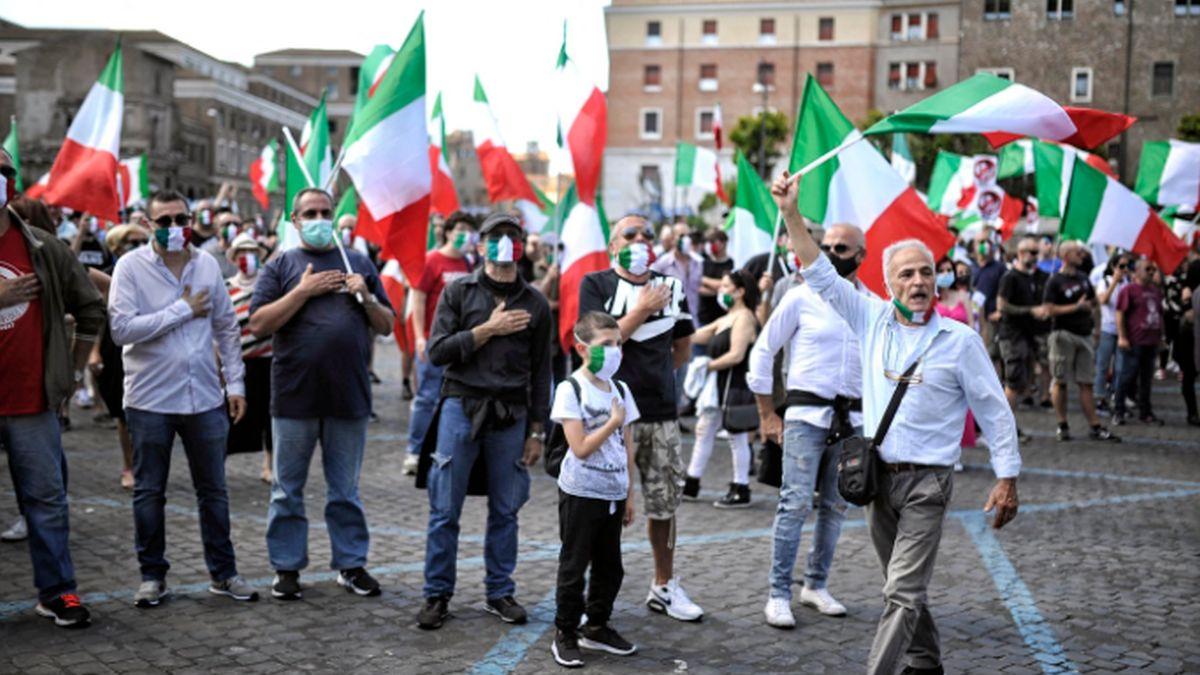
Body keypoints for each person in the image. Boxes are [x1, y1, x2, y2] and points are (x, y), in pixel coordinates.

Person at [772, 170, 1021, 675]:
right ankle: (926, 661)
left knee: (901, 592)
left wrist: (1007, 476)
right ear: (887, 284)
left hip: (929, 483)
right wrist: (790, 213)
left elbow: (995, 409)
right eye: (906, 274)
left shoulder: (960, 341)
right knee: (900, 585)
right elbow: (818, 270)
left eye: (926, 272)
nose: (918, 282)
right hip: (877, 477)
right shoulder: (869, 318)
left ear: (938, 279)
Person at [109, 189, 258, 608]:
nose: (174, 228)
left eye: (181, 219)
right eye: (164, 221)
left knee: (214, 491)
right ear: (149, 224)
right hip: (150, 400)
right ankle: (152, 576)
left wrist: (236, 385)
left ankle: (224, 573)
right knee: (149, 491)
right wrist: (181, 309)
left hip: (205, 399)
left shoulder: (208, 264)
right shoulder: (130, 267)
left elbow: (228, 329)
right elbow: (122, 330)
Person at [248, 188, 395, 601]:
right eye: (309, 212)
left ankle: (350, 564)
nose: (318, 217)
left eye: (325, 211)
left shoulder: (359, 263)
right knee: (286, 489)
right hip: (294, 396)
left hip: (348, 396)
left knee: (345, 489)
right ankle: (287, 567)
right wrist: (302, 292)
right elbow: (258, 324)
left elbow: (385, 325)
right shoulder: (280, 266)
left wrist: (364, 295)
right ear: (294, 221)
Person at [417, 213, 553, 630]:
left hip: (511, 416)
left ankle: (499, 591)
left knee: (506, 510)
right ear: (482, 243)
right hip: (462, 406)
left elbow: (542, 371)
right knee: (445, 509)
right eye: (497, 236)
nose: (505, 242)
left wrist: (536, 430)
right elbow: (438, 351)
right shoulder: (459, 291)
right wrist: (487, 330)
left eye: (512, 236)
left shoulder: (534, 303)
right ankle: (437, 594)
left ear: (522, 243)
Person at [578, 215, 703, 622]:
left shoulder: (674, 287)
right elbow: (600, 343)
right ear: (614, 245)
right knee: (602, 504)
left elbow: (683, 346)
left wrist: (660, 378)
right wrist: (644, 307)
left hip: (660, 411)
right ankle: (593, 596)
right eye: (629, 235)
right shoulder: (595, 285)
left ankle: (663, 585)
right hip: (609, 414)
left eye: (647, 235)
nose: (640, 240)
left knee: (664, 503)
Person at [0, 148, 105, 627]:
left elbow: (90, 308)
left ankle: (58, 593)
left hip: (32, 402)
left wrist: (73, 367)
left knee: (46, 502)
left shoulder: (44, 246)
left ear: (13, 183)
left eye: (2, 171)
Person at [749, 224, 865, 629]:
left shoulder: (870, 304)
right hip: (804, 418)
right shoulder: (800, 297)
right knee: (795, 504)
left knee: (835, 506)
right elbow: (762, 354)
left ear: (861, 255)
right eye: (827, 246)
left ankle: (815, 585)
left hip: (852, 421)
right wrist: (767, 413)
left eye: (842, 247)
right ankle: (778, 593)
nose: (832, 252)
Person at [549, 311, 640, 668]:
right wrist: (612, 422)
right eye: (606, 345)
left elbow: (627, 443)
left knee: (610, 566)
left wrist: (629, 493)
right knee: (574, 565)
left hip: (613, 492)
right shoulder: (571, 389)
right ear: (582, 348)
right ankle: (566, 632)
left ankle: (597, 625)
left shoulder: (620, 389)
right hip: (581, 491)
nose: (615, 351)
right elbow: (581, 447)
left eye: (618, 343)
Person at [405, 211, 478, 475]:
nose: (464, 235)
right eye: (459, 228)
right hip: (434, 342)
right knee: (426, 398)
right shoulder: (431, 260)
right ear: (447, 232)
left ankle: (440, 451)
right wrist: (421, 337)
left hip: (459, 346)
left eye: (469, 230)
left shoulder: (469, 265)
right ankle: (414, 452)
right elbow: (419, 299)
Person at [682, 270, 759, 507]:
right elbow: (696, 335)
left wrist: (706, 366)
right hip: (717, 387)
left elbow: (736, 355)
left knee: (736, 436)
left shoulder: (744, 317)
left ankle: (741, 487)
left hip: (733, 385)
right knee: (703, 431)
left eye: (725, 286)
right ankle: (691, 482)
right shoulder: (725, 318)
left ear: (740, 291)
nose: (720, 291)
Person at [1042, 240, 1114, 441]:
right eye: (1077, 252)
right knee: (1060, 381)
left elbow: (1093, 303)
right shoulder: (1055, 281)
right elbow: (1048, 309)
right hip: (1062, 335)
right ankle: (1062, 423)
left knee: (1086, 383)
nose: (1082, 255)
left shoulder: (1083, 278)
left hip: (1084, 335)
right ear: (1065, 256)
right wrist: (1075, 307)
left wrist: (1097, 328)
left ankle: (1094, 425)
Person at [98, 224, 151, 490]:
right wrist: (94, 353)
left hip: (149, 347)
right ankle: (129, 465)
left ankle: (148, 464)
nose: (141, 245)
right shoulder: (107, 276)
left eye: (144, 240)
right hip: (116, 349)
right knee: (122, 413)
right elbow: (95, 317)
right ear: (117, 246)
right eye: (133, 241)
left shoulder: (156, 274)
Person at [224, 233, 274, 483]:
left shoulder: (269, 286)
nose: (247, 257)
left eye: (252, 251)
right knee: (231, 415)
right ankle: (218, 464)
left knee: (270, 414)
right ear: (234, 258)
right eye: (242, 252)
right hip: (239, 362)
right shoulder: (226, 288)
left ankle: (269, 464)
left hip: (268, 359)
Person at [935, 256, 982, 456]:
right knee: (941, 406)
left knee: (961, 405)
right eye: (941, 270)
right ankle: (943, 448)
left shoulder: (963, 296)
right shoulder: (931, 300)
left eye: (949, 270)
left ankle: (956, 448)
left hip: (961, 356)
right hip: (938, 357)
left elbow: (972, 326)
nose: (946, 274)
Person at [1113, 257, 1165, 426]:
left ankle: (1145, 412)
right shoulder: (1129, 290)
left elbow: (1159, 315)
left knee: (1146, 380)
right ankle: (1118, 411)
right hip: (1134, 342)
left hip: (1151, 342)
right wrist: (1122, 336)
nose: (1151, 272)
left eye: (1153, 270)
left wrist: (1161, 338)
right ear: (1137, 271)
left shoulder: (1156, 291)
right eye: (1148, 269)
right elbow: (1120, 313)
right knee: (1127, 377)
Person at [1094, 253, 1132, 412]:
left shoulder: (1128, 284)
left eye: (1127, 266)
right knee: (1102, 366)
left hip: (1123, 330)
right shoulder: (1104, 282)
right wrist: (1114, 283)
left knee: (1120, 367)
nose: (1124, 270)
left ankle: (1116, 396)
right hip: (1107, 329)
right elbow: (1103, 301)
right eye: (1121, 266)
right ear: (1112, 267)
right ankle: (1099, 397)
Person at [697, 229, 735, 329]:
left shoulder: (732, 264)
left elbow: (727, 284)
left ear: (724, 243)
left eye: (713, 242)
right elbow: (697, 287)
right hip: (704, 318)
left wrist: (703, 279)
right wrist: (719, 290)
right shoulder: (703, 263)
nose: (710, 245)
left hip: (724, 317)